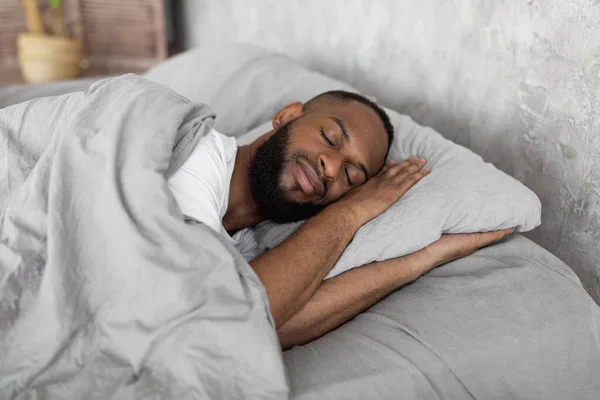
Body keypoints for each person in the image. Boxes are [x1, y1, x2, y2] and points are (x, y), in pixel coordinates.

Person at [167, 90, 514, 350]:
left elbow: (272, 320)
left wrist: (425, 257)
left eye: (351, 176)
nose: (331, 168)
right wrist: (349, 212)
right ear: (287, 115)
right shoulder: (195, 157)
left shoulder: (245, 244)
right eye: (330, 138)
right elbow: (229, 313)